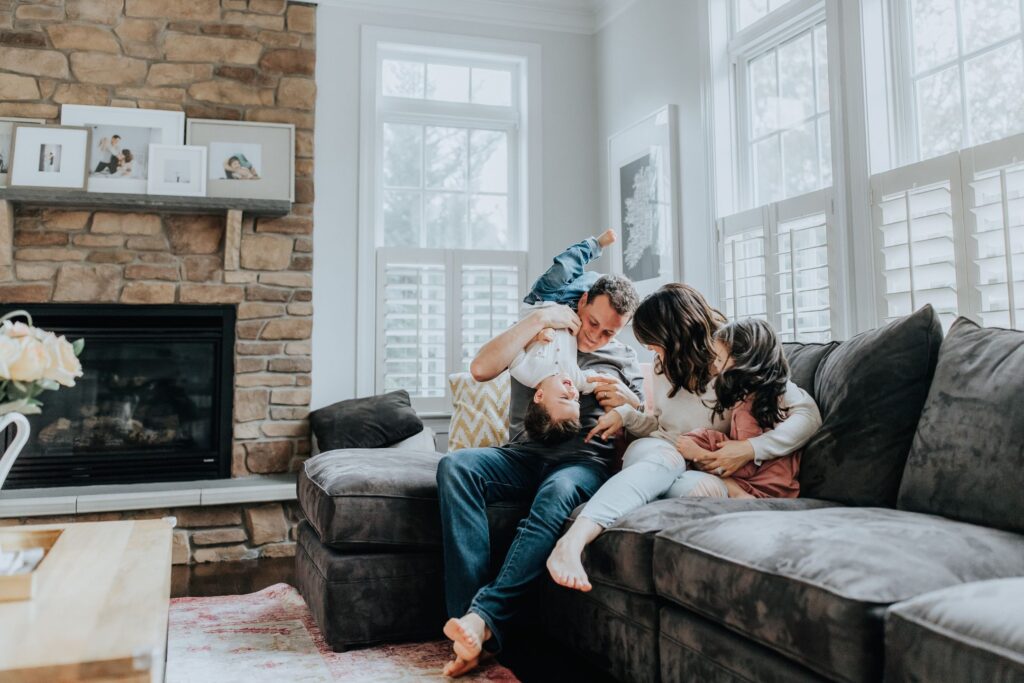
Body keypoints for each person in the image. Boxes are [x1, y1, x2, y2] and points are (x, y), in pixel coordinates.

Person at [546, 284, 821, 592]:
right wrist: (627, 415)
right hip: (661, 451)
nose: (651, 352)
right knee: (667, 459)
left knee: (692, 488)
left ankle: (617, 508)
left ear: (676, 335)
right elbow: (662, 429)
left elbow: (808, 416)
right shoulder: (664, 366)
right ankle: (573, 541)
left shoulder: (733, 359)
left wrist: (749, 449)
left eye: (654, 343)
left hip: (699, 469)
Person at [437, 272, 644, 677]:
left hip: (582, 463)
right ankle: (468, 625)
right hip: (523, 454)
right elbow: (480, 369)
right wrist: (538, 321)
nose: (596, 337)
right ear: (581, 303)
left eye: (609, 332)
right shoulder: (541, 334)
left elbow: (644, 425)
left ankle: (481, 619)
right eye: (592, 323)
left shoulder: (624, 360)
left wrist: (629, 402)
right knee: (455, 466)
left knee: (556, 492)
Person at [675, 318, 801, 499]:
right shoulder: (768, 395)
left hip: (765, 487)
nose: (716, 366)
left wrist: (698, 454)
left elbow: (745, 468)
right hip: (782, 483)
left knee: (701, 445)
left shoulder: (747, 408)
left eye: (719, 359)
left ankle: (740, 496)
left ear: (743, 361)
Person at [513, 230, 617, 444]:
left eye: (564, 397)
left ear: (539, 396)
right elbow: (598, 381)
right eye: (576, 400)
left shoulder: (525, 372)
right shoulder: (575, 379)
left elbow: (514, 341)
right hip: (570, 308)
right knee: (597, 282)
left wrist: (536, 336)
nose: (572, 391)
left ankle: (595, 245)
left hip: (542, 300)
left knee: (564, 267)